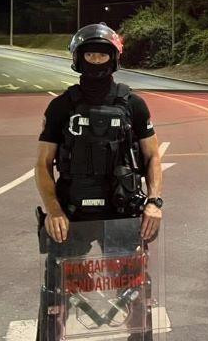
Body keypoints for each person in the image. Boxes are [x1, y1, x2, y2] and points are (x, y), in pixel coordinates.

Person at [35, 23, 164, 341]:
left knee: (134, 288)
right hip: (72, 214)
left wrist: (154, 202)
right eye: (90, 54)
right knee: (56, 290)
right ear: (78, 59)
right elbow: (42, 164)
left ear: (114, 58)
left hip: (122, 211)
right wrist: (53, 211)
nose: (96, 61)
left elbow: (152, 158)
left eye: (102, 54)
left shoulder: (133, 104)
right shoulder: (61, 107)